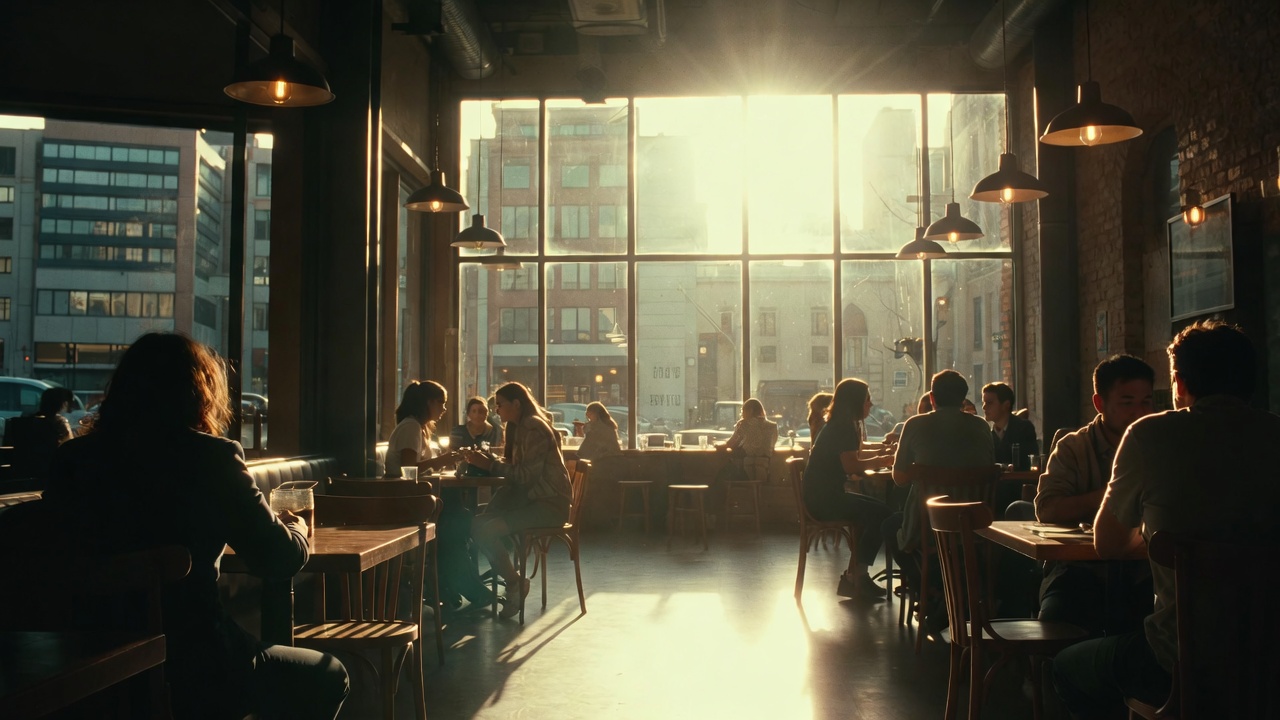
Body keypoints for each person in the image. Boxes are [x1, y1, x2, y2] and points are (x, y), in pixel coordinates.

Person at [39, 332, 348, 719]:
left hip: (80, 663)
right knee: (328, 675)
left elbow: (54, 556)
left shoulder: (73, 459)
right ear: (198, 391)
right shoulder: (212, 457)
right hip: (196, 664)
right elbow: (277, 559)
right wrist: (298, 529)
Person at [1054, 321, 1280, 716]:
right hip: (1269, 659)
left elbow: (1106, 544)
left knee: (1066, 668)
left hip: (1179, 660)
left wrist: (1158, 537)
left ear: (1179, 382)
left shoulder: (1149, 435)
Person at [1012, 355, 1157, 636]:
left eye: (1147, 402)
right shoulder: (1074, 447)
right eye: (1127, 403)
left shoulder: (1160, 446)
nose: (1139, 412)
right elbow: (1047, 509)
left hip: (1144, 572)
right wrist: (1111, 496)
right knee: (1060, 622)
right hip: (1078, 571)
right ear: (1100, 404)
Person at [884, 370, 994, 614]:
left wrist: (917, 470)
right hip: (975, 524)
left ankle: (930, 588)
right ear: (964, 400)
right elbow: (989, 467)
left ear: (932, 398)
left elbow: (899, 479)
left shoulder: (915, 424)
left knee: (890, 526)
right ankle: (951, 592)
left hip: (927, 525)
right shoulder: (981, 426)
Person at [461, 382, 572, 619]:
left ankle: (514, 582)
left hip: (548, 505)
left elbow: (525, 475)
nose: (496, 410)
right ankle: (510, 579)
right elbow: (518, 469)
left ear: (517, 404)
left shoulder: (533, 427)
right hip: (535, 502)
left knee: (483, 530)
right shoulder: (520, 427)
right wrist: (492, 460)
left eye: (500, 405)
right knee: (477, 524)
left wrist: (489, 464)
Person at [802, 379, 895, 599]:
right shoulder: (843, 427)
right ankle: (857, 577)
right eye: (867, 400)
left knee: (880, 511)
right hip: (824, 502)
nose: (870, 405)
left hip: (821, 497)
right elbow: (851, 465)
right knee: (883, 514)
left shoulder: (838, 424)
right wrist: (888, 458)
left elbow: (855, 457)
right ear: (855, 402)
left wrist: (884, 456)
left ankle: (855, 576)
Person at [386, 380, 460, 478]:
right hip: (399, 490)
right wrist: (439, 461)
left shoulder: (420, 427)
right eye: (442, 402)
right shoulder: (411, 427)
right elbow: (408, 470)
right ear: (429, 403)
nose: (444, 408)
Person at [2, 387, 77, 479]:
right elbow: (69, 446)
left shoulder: (26, 421)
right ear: (64, 404)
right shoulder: (59, 422)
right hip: (51, 472)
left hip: (23, 470)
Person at [982, 381, 1039, 465]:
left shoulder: (1024, 428)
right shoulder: (987, 433)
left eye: (989, 403)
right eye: (983, 402)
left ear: (1006, 405)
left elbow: (1029, 462)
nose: (984, 407)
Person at [723, 398, 777, 483]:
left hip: (748, 462)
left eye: (743, 411)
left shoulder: (743, 424)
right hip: (766, 463)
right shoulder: (773, 426)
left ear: (749, 411)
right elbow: (772, 445)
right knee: (761, 487)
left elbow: (731, 443)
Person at [450, 395, 503, 475]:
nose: (477, 415)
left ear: (487, 413)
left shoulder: (496, 432)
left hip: (489, 474)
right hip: (463, 474)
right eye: (474, 411)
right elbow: (452, 455)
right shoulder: (458, 431)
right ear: (468, 414)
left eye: (481, 411)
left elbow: (499, 455)